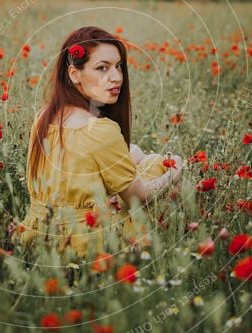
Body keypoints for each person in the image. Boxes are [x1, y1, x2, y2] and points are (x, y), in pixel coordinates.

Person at [12, 26, 184, 258]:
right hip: (85, 244)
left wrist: (130, 155)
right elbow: (139, 196)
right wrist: (175, 170)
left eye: (118, 66)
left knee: (134, 153)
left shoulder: (44, 115)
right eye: (102, 68)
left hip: (39, 233)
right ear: (74, 74)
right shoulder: (100, 130)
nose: (117, 77)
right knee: (156, 163)